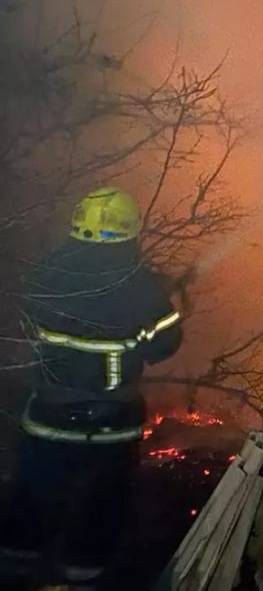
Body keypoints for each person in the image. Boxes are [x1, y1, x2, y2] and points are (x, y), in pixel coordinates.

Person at [0, 187, 183, 588]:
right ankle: (82, 576)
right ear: (128, 233)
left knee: (30, 494)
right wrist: (158, 298)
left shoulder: (45, 274)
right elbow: (165, 344)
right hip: (111, 427)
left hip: (46, 418)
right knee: (101, 506)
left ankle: (14, 568)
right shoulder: (142, 291)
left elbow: (26, 328)